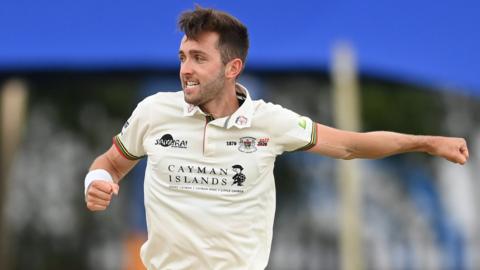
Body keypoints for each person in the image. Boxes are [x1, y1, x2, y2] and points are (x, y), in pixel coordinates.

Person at [84, 6, 469, 270]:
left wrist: (427, 142)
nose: (186, 68)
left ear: (233, 67)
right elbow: (111, 164)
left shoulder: (270, 122)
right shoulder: (153, 112)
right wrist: (98, 180)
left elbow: (351, 145)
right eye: (183, 56)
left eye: (199, 58)